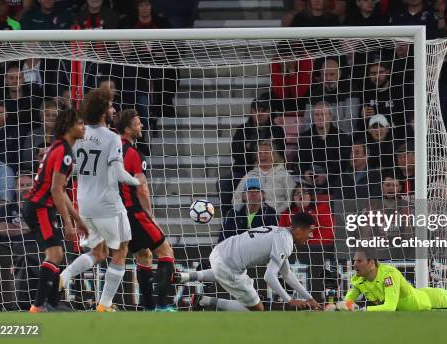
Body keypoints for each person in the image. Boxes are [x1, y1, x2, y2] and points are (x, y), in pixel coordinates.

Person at [58, 88, 141, 312]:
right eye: (111, 106)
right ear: (103, 111)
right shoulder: (112, 137)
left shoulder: (79, 135)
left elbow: (71, 169)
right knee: (121, 250)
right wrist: (137, 181)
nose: (114, 109)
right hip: (108, 203)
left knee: (99, 252)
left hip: (84, 204)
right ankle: (104, 305)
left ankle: (64, 276)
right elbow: (118, 173)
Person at [177, 212, 322, 311]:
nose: (311, 236)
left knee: (225, 272)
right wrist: (289, 300)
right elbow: (269, 277)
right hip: (229, 265)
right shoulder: (286, 242)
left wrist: (309, 298)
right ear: (298, 229)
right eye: (309, 231)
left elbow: (287, 274)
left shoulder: (281, 233)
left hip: (220, 251)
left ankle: (184, 277)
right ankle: (203, 301)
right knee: (258, 309)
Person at [22, 109, 87, 312]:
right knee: (55, 254)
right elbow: (56, 190)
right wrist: (69, 222)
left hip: (41, 206)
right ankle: (39, 306)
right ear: (69, 126)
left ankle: (52, 303)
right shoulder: (64, 152)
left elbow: (61, 191)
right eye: (80, 124)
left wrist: (78, 219)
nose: (83, 127)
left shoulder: (59, 147)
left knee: (56, 254)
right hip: (40, 206)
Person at [113, 109, 176, 312]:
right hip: (134, 212)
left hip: (117, 214)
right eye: (137, 123)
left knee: (143, 255)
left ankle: (148, 306)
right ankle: (163, 305)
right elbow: (142, 188)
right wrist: (150, 216)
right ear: (127, 129)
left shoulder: (112, 151)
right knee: (166, 251)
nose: (141, 126)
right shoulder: (132, 153)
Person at [297, 101, 351, 194]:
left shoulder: (341, 137)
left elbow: (343, 162)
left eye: (323, 114)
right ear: (313, 117)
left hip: (333, 177)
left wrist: (326, 176)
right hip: (310, 176)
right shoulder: (304, 137)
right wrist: (305, 172)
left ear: (330, 116)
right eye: (317, 114)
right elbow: (301, 160)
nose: (320, 117)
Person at [232, 140, 296, 215]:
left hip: (276, 217)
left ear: (274, 155)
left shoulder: (285, 175)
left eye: (266, 152)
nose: (262, 155)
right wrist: (246, 212)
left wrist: (275, 213)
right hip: (252, 216)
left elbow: (291, 200)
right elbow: (236, 199)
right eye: (260, 153)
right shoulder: (250, 175)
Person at [221, 177, 278, 242]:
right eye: (249, 190)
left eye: (257, 190)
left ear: (263, 195)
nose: (254, 193)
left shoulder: (270, 214)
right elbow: (223, 238)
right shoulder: (233, 213)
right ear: (243, 195)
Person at [0, 172, 34, 242]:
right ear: (15, 188)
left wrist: (20, 227)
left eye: (29, 185)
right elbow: (1, 229)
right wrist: (31, 228)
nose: (25, 188)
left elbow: (51, 227)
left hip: (37, 248)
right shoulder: (6, 209)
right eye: (21, 185)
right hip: (10, 248)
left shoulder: (43, 208)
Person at [20, 100, 58, 173]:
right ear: (41, 118)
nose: (51, 118)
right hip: (36, 173)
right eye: (47, 115)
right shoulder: (32, 135)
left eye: (54, 115)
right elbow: (27, 162)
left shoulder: (62, 135)